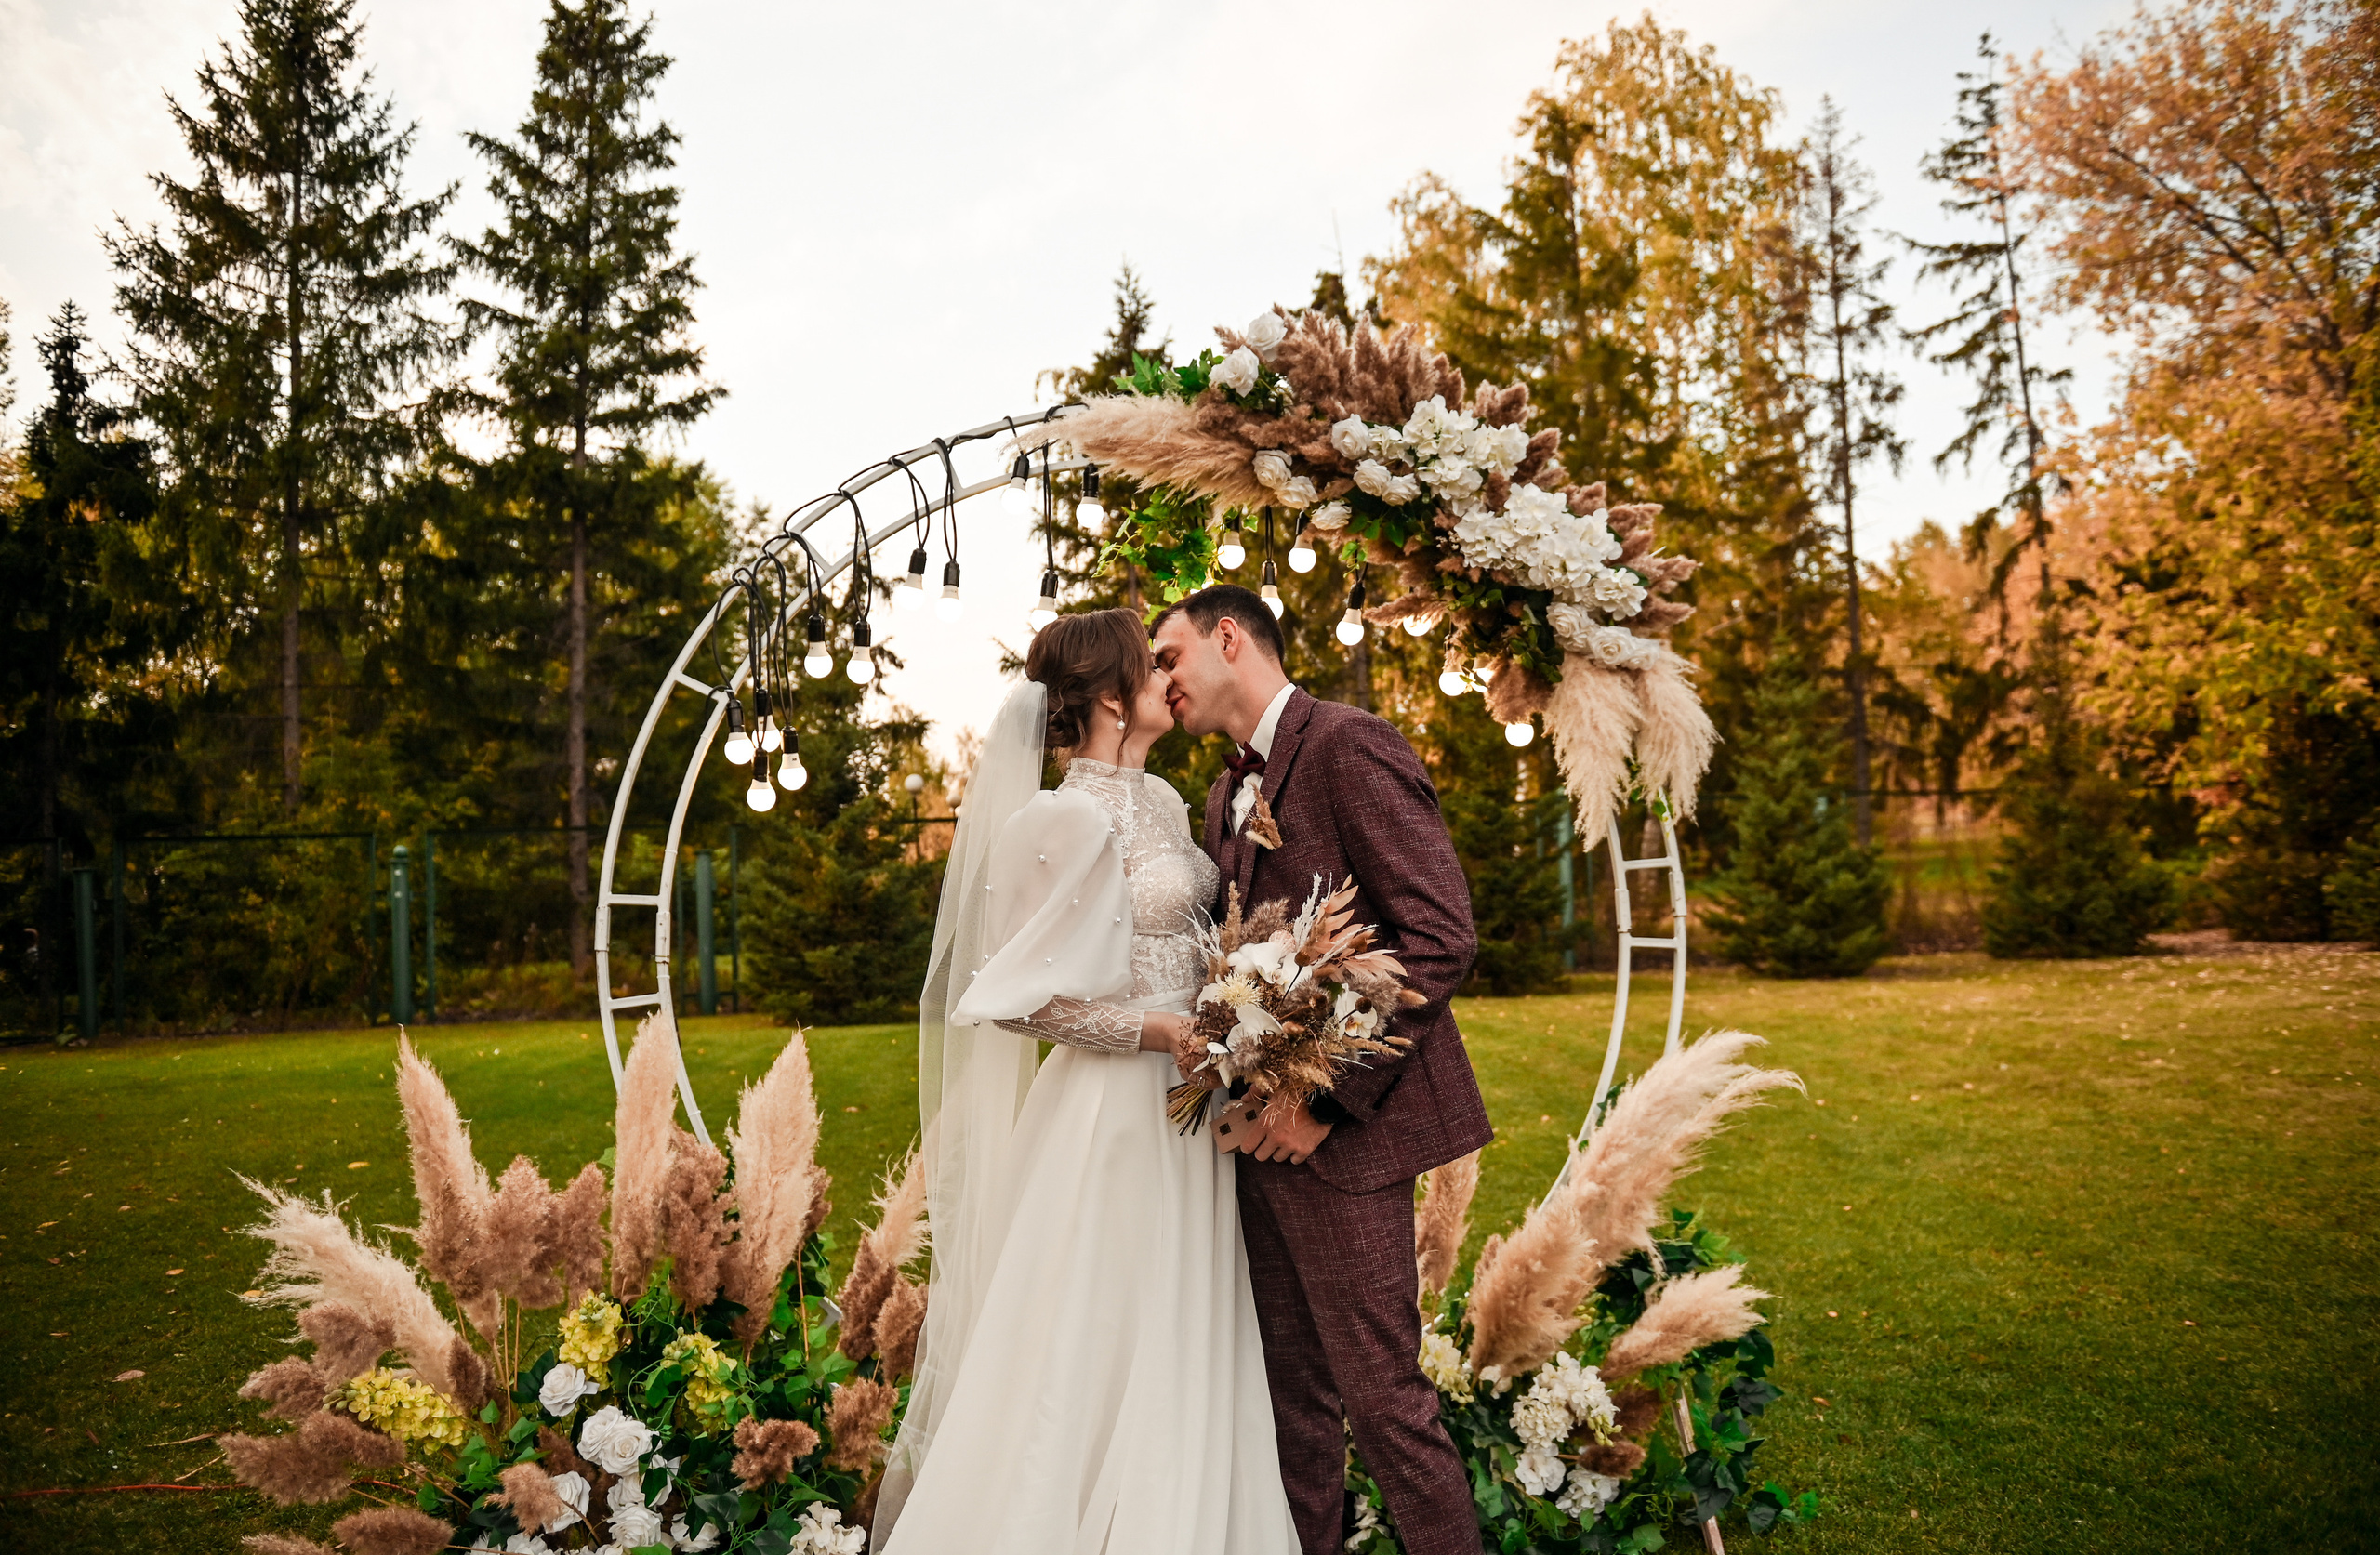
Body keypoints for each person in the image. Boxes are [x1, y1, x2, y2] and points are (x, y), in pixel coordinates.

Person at [873, 608, 1298, 1555]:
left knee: (1179, 1321)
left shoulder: (1163, 802)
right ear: (1111, 695)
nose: (1167, 677)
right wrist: (1157, 1029)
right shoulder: (1058, 816)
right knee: (1092, 1327)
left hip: (1189, 1114)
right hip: (1110, 1114)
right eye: (1150, 666)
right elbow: (1016, 1000)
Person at [1151, 583, 1492, 1555]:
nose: (1161, 680)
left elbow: (1438, 936)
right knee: (1289, 1406)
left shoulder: (1347, 743)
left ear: (1227, 638)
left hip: (1349, 1139)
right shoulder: (1223, 791)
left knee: (1385, 1403)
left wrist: (1323, 1101)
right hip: (1254, 1139)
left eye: (1169, 656)